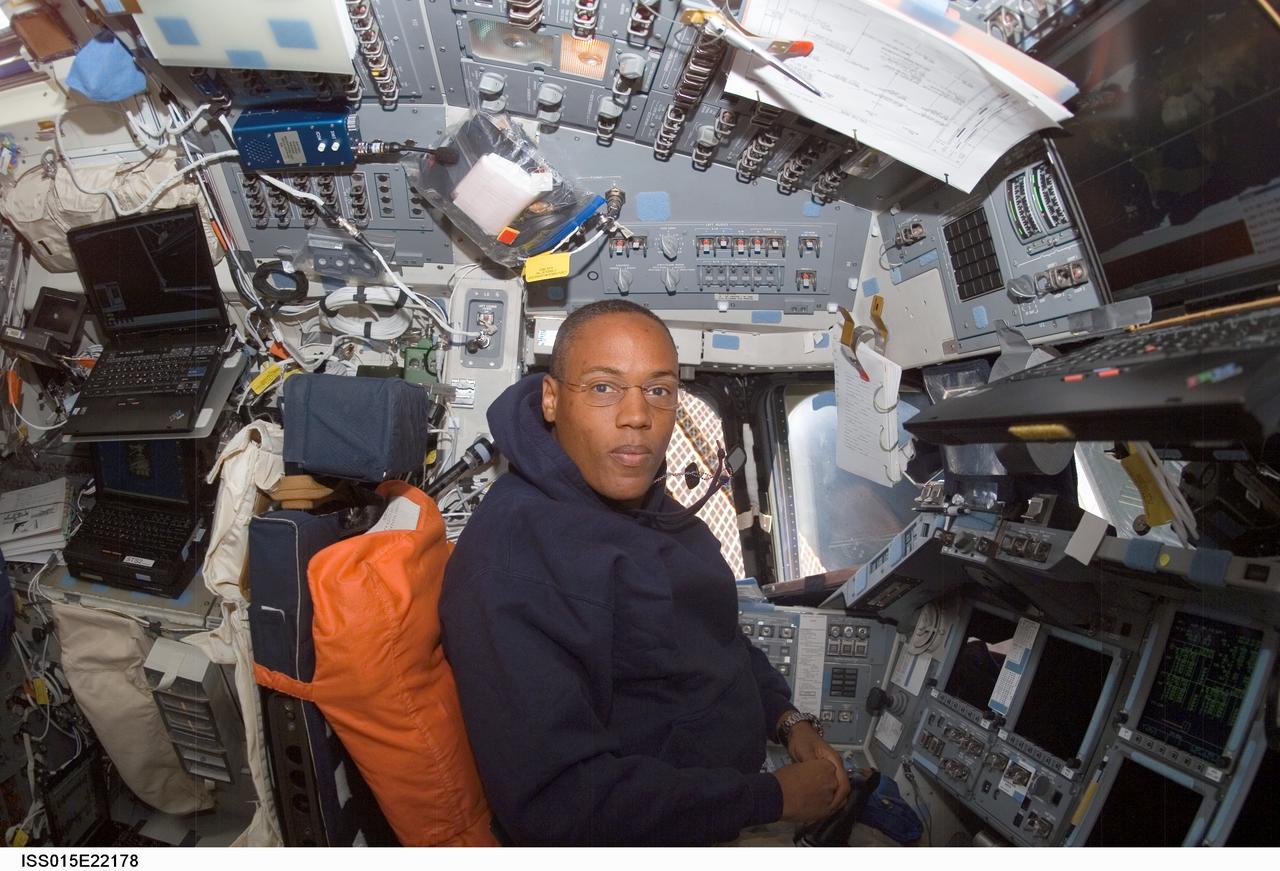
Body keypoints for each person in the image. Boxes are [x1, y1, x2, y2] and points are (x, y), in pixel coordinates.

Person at [440, 300, 850, 845]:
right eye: (604, 387)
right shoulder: (513, 565)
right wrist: (776, 798)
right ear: (551, 399)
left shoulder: (647, 508)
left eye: (658, 390)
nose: (637, 415)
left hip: (731, 795)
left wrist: (786, 720)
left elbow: (715, 637)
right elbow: (560, 805)